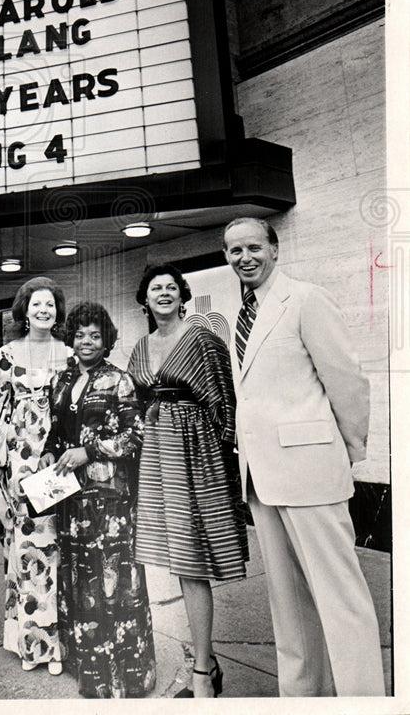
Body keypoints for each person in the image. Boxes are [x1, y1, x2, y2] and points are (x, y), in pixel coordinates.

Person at [222, 217, 385, 697]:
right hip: (262, 477)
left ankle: (363, 700)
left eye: (253, 247)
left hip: (311, 471)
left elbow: (348, 382)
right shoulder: (243, 312)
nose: (244, 257)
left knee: (340, 600)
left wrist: (346, 451)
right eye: (234, 251)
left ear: (275, 249)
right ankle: (302, 697)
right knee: (287, 604)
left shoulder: (307, 299)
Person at [128, 263, 247, 698]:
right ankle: (207, 662)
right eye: (155, 288)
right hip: (158, 454)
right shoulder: (141, 346)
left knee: (195, 558)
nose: (163, 293)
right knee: (180, 557)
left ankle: (202, 669)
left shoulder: (201, 338)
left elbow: (226, 401)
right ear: (145, 300)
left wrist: (221, 460)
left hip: (198, 454)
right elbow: (136, 400)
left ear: (182, 296)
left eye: (170, 288)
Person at [48, 301, 156, 698]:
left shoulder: (119, 380)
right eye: (79, 335)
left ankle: (128, 677)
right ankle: (90, 674)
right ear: (71, 339)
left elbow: (136, 435)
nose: (87, 341)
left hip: (109, 501)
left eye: (94, 335)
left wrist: (90, 451)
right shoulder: (62, 381)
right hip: (70, 500)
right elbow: (55, 429)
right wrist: (49, 450)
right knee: (81, 579)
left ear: (106, 339)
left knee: (114, 578)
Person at [0, 276, 69, 675]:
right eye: (36, 304)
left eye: (50, 304)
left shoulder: (69, 354)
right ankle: (30, 645)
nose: (43, 310)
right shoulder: (6, 353)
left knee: (57, 549)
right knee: (24, 549)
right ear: (24, 309)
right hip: (18, 463)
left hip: (57, 461)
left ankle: (57, 646)